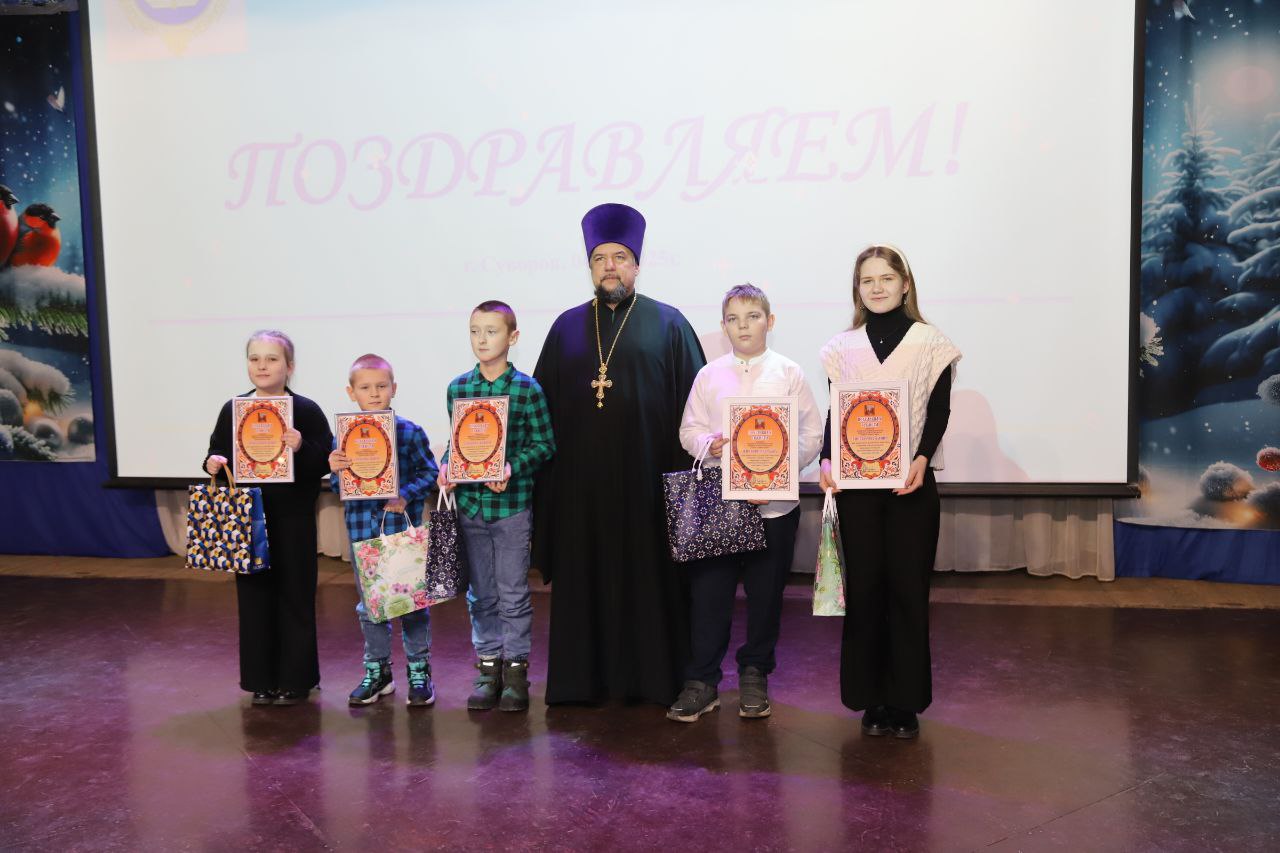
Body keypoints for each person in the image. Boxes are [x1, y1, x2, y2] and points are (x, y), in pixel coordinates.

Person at [532, 203, 706, 706]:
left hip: (648, 486)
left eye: (620, 257)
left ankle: (652, 680)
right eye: (600, 258)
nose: (610, 266)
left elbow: (697, 408)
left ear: (637, 264)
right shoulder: (565, 328)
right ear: (590, 266)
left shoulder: (669, 324)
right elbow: (538, 411)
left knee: (648, 581)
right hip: (580, 490)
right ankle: (580, 683)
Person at [818, 244, 961, 739]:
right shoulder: (842, 347)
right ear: (857, 290)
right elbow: (836, 413)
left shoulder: (931, 343)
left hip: (910, 489)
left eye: (886, 278)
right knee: (864, 593)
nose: (877, 287)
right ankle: (871, 700)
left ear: (905, 284)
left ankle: (905, 703)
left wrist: (920, 459)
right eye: (867, 280)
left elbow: (938, 411)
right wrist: (826, 460)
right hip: (857, 493)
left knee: (907, 593)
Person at [668, 284, 823, 722]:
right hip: (720, 506)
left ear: (769, 321)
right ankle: (703, 681)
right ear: (723, 327)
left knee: (765, 597)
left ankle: (755, 674)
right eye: (734, 319)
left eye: (753, 317)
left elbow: (812, 434)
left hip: (773, 506)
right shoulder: (709, 375)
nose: (744, 327)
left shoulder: (789, 372)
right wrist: (709, 444)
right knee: (709, 596)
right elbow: (688, 430)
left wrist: (779, 470)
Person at [204, 330, 334, 706]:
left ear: (289, 367)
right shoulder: (233, 409)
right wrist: (213, 463)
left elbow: (325, 461)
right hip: (248, 518)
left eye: (272, 359)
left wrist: (301, 446)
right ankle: (260, 680)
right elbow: (216, 451)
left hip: (293, 518)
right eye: (255, 358)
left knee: (296, 596)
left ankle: (297, 679)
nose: (262, 366)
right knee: (254, 599)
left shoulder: (305, 410)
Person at [439, 301, 555, 712]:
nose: (482, 339)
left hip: (511, 509)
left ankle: (516, 671)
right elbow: (456, 444)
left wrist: (510, 467)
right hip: (471, 506)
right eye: (475, 331)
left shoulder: (527, 389)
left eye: (491, 331)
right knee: (481, 594)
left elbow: (545, 444)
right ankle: (488, 668)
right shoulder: (458, 388)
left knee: (512, 593)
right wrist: (446, 468)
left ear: (513, 337)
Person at [328, 353, 439, 707]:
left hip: (400, 532)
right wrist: (336, 470)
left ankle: (419, 671)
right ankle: (378, 672)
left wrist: (405, 494)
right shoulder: (343, 436)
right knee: (370, 607)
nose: (374, 393)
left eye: (381, 386)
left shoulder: (408, 431)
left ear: (394, 388)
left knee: (412, 604)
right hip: (363, 531)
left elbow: (430, 472)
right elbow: (338, 486)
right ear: (351, 392)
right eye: (365, 388)